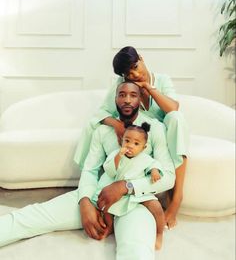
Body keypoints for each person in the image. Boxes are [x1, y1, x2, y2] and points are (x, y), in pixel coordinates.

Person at [0, 82, 175, 260]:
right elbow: (90, 170)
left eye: (133, 95)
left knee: (136, 251)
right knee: (29, 217)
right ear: (115, 99)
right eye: (121, 95)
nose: (127, 100)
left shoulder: (155, 128)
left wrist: (126, 186)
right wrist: (85, 202)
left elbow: (168, 177)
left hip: (137, 203)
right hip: (98, 196)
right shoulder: (103, 130)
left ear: (141, 100)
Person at [74, 46, 189, 229]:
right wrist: (117, 125)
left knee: (176, 119)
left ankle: (176, 199)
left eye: (135, 67)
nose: (134, 75)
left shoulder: (162, 79)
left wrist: (148, 88)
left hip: (162, 132)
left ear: (141, 58)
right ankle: (88, 180)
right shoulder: (123, 83)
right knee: (92, 126)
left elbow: (173, 107)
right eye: (128, 74)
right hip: (139, 134)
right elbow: (102, 111)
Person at [94, 122, 165, 250]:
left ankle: (159, 233)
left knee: (157, 207)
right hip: (119, 193)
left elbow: (154, 164)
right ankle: (110, 227)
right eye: (127, 141)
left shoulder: (145, 158)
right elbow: (110, 170)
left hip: (137, 193)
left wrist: (154, 171)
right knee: (106, 208)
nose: (130, 146)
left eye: (136, 143)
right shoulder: (116, 155)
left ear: (144, 147)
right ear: (121, 141)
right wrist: (118, 157)